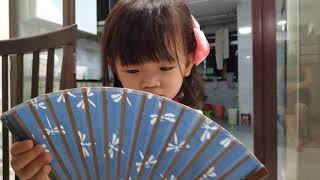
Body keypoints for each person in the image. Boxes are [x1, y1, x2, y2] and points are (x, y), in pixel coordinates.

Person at [9, 0, 210, 179]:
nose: (149, 82)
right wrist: (39, 173)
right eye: (132, 70)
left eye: (165, 68)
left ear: (188, 63)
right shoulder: (95, 124)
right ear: (114, 68)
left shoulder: (198, 131)